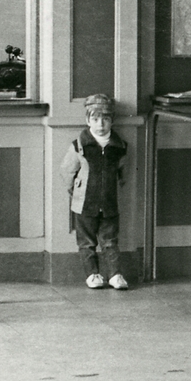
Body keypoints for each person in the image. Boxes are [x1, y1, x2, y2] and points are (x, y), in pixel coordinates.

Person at [59, 93, 129, 290]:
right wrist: (74, 189)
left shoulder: (120, 147)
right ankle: (92, 274)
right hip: (84, 203)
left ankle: (114, 274)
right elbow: (67, 170)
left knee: (110, 241)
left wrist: (118, 185)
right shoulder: (79, 145)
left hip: (109, 203)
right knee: (87, 242)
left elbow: (123, 171)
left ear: (112, 121)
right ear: (88, 120)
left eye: (105, 119)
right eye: (96, 119)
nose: (100, 124)